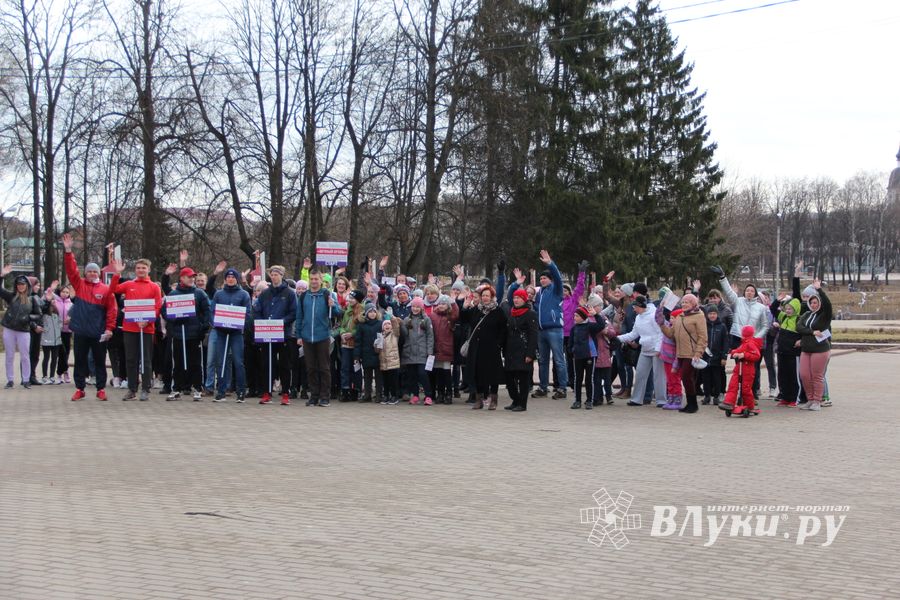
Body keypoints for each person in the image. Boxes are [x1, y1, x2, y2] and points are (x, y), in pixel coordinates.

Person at [62, 233, 118, 401]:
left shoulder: (106, 289)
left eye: (95, 271)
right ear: (85, 273)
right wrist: (68, 251)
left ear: (98, 273)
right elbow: (71, 270)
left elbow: (112, 310)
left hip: (98, 332)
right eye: (89, 271)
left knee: (100, 361)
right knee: (80, 361)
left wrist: (109, 328)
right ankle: (80, 389)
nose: (92, 273)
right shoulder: (79, 285)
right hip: (80, 331)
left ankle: (101, 389)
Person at [109, 258, 162, 401]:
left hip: (147, 328)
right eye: (138, 268)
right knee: (131, 359)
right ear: (135, 270)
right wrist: (117, 274)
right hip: (130, 328)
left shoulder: (154, 287)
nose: (141, 270)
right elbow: (113, 290)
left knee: (146, 360)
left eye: (143, 268)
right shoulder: (129, 284)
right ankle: (132, 389)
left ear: (148, 270)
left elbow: (157, 307)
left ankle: (145, 388)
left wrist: (147, 320)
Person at [161, 267, 212, 401]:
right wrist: (174, 319)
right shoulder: (173, 294)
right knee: (177, 363)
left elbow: (208, 311)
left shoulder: (199, 293)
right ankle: (176, 389)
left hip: (194, 335)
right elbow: (164, 311)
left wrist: (203, 327)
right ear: (181, 278)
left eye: (193, 277)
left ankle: (197, 388)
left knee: (196, 363)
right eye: (189, 277)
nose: (192, 279)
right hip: (178, 334)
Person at [295, 269, 342, 407]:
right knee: (310, 368)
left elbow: (338, 313)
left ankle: (324, 396)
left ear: (321, 280)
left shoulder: (327, 294)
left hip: (322, 336)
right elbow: (299, 316)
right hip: (307, 337)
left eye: (316, 279)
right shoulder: (304, 296)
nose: (314, 281)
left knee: (324, 367)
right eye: (312, 279)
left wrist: (333, 306)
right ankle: (314, 396)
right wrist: (299, 335)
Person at [659, 293, 708, 414]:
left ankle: (693, 404)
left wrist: (698, 353)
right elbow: (671, 334)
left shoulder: (699, 316)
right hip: (680, 353)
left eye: (687, 302)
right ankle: (690, 404)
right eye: (683, 302)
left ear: (693, 304)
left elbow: (703, 337)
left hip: (691, 353)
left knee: (686, 377)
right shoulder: (680, 316)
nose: (684, 304)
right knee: (686, 378)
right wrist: (662, 325)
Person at [462, 285, 507, 410]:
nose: (485, 298)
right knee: (478, 373)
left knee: (493, 375)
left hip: (491, 348)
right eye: (483, 295)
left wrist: (498, 344)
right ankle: (479, 399)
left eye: (487, 295)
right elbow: (464, 319)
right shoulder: (476, 310)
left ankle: (493, 399)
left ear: (492, 297)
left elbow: (503, 329)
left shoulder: (498, 311)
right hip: (477, 347)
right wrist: (465, 307)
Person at [210, 268, 252, 403]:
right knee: (220, 362)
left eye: (233, 277)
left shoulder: (244, 294)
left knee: (238, 362)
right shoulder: (219, 294)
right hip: (221, 333)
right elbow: (213, 311)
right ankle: (221, 391)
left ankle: (241, 392)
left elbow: (247, 314)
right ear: (225, 279)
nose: (230, 279)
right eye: (228, 277)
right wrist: (216, 324)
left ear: (237, 279)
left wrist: (239, 324)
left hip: (236, 333)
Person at [616, 296, 666, 408]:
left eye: (635, 307)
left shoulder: (654, 315)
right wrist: (618, 339)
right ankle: (637, 399)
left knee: (659, 375)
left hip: (656, 349)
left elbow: (660, 333)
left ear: (641, 306)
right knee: (640, 373)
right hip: (645, 348)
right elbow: (633, 334)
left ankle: (661, 400)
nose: (633, 309)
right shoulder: (638, 317)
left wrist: (658, 349)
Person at [531, 249, 568, 400]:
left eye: (545, 278)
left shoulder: (556, 289)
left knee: (559, 360)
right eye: (541, 278)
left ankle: (562, 388)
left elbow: (558, 277)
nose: (542, 280)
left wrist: (550, 264)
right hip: (541, 331)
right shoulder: (540, 293)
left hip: (554, 330)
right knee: (543, 361)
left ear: (551, 280)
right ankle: (543, 387)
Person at [1, 268, 43, 388]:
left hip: (23, 331)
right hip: (9, 329)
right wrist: (2, 276)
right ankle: (10, 380)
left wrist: (29, 317)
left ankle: (26, 380)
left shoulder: (32, 299)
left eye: (23, 284)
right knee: (9, 356)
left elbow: (39, 314)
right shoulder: (11, 296)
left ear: (27, 285)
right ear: (16, 285)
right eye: (19, 284)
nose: (21, 286)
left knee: (25, 356)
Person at [795, 279, 831, 412]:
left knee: (817, 376)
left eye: (815, 302)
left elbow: (828, 304)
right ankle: (810, 399)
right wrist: (812, 332)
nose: (813, 304)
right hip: (806, 349)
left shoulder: (824, 315)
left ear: (819, 303)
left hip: (819, 350)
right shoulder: (807, 314)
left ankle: (817, 401)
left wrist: (819, 289)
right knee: (804, 375)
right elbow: (799, 327)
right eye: (811, 302)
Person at [502, 288, 538, 412]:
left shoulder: (530, 314)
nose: (516, 300)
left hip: (523, 350)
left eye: (518, 298)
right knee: (509, 377)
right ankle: (515, 399)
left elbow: (533, 335)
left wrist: (530, 354)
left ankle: (522, 403)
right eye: (514, 298)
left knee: (523, 378)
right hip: (511, 350)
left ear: (524, 299)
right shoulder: (511, 312)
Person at [568, 306, 610, 410]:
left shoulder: (590, 326)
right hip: (578, 356)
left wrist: (595, 314)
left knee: (589, 379)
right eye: (574, 316)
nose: (574, 318)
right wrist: (571, 351)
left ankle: (589, 400)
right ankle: (577, 400)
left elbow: (601, 325)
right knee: (578, 378)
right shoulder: (574, 328)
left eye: (577, 316)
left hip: (589, 356)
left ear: (583, 317)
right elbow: (570, 342)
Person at [722, 325, 762, 417]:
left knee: (745, 389)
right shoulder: (744, 343)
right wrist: (734, 352)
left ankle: (749, 406)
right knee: (733, 385)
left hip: (748, 370)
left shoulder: (751, 343)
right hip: (739, 368)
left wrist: (744, 355)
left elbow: (756, 355)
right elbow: (739, 350)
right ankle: (728, 402)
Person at [401, 297, 434, 405]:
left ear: (421, 308)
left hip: (422, 352)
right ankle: (415, 395)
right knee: (412, 375)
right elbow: (404, 335)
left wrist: (429, 351)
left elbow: (430, 336)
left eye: (417, 307)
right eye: (413, 306)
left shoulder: (426, 319)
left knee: (422, 374)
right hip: (410, 351)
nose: (415, 309)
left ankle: (428, 395)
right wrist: (400, 325)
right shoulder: (407, 320)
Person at [772, 296, 802, 407]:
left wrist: (801, 340)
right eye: (786, 309)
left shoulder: (799, 320)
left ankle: (794, 398)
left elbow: (805, 333)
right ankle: (785, 397)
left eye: (790, 309)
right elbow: (773, 309)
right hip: (781, 352)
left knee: (793, 376)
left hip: (793, 354)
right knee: (782, 376)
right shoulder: (783, 317)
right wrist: (778, 300)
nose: (788, 311)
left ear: (796, 309)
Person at [428, 294, 458, 404]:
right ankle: (440, 393)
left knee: (446, 372)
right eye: (440, 303)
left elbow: (456, 314)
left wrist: (453, 302)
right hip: (436, 348)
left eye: (444, 304)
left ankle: (449, 393)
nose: (441, 305)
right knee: (438, 372)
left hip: (446, 348)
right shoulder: (433, 316)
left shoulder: (450, 316)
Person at [338, 289, 365, 402]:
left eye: (353, 298)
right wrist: (342, 333)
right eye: (350, 298)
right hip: (345, 344)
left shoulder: (362, 310)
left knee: (356, 368)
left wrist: (352, 334)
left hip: (356, 344)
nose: (350, 300)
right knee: (345, 367)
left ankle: (356, 390)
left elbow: (361, 327)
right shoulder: (347, 310)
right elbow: (342, 325)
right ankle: (345, 389)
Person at [354, 301, 384, 403]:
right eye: (370, 312)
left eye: (374, 311)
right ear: (366, 313)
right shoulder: (361, 325)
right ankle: (367, 394)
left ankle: (379, 394)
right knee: (367, 375)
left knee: (379, 376)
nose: (372, 314)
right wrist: (357, 355)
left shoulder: (380, 324)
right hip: (366, 353)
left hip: (378, 353)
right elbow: (358, 341)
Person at [700, 305, 729, 406]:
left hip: (717, 357)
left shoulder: (722, 326)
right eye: (710, 314)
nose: (712, 316)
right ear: (707, 315)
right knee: (706, 377)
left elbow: (725, 342)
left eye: (714, 313)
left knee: (717, 378)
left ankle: (716, 396)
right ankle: (707, 396)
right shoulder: (704, 325)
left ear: (717, 314)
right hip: (705, 357)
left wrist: (724, 356)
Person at [39, 285, 64, 384]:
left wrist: (59, 329)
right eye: (51, 300)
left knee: (54, 358)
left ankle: (52, 376)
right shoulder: (44, 312)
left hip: (56, 340)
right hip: (46, 339)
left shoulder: (56, 313)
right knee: (46, 357)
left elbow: (60, 323)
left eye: (54, 300)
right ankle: (44, 376)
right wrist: (48, 292)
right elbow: (42, 301)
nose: (53, 301)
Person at [377, 316, 402, 405]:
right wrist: (376, 345)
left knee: (393, 380)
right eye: (385, 324)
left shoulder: (394, 335)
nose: (387, 326)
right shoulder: (380, 336)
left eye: (389, 324)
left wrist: (393, 320)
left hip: (393, 361)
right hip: (384, 362)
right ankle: (386, 395)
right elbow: (377, 350)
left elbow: (396, 328)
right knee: (385, 380)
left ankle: (394, 396)